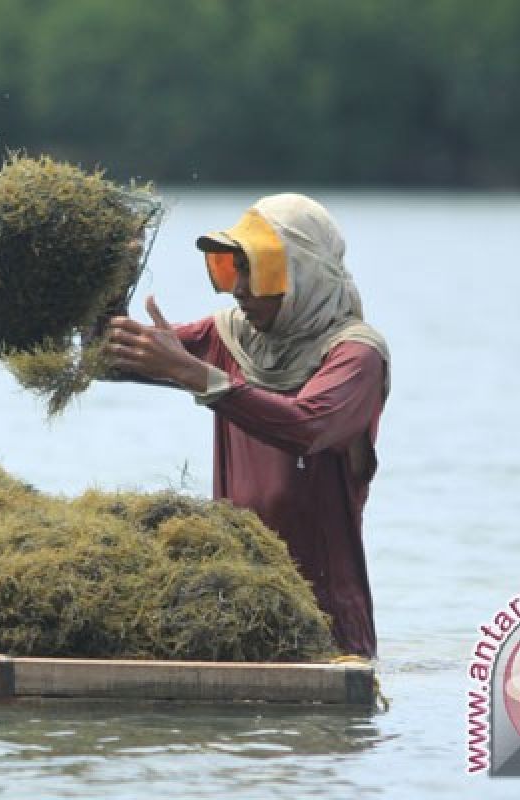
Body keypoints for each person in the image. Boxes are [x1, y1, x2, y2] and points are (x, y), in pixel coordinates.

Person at [104, 193, 390, 658]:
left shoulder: (356, 356)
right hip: (236, 606)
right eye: (231, 270)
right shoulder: (229, 337)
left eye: (257, 272)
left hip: (327, 629)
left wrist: (198, 375)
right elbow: (108, 361)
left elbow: (306, 427)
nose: (239, 289)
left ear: (303, 272)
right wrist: (112, 279)